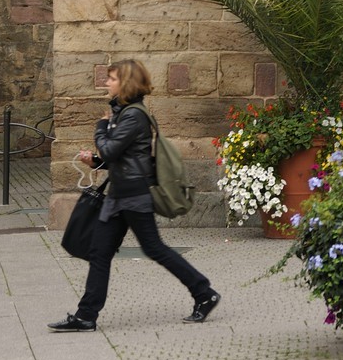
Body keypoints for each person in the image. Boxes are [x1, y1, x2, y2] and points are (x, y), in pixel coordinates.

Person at [49, 59, 220, 331]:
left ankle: (204, 292)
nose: (107, 83)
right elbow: (119, 157)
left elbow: (111, 149)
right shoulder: (125, 112)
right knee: (100, 252)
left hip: (132, 194)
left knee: (154, 248)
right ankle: (86, 316)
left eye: (112, 78)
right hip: (120, 195)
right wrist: (95, 161)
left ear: (125, 83)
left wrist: (100, 128)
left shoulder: (133, 115)